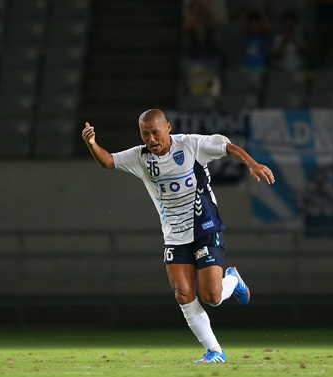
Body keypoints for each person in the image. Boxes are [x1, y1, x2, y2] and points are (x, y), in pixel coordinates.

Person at [81, 109, 275, 363]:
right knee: (183, 294)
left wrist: (252, 163)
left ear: (168, 128)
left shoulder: (192, 145)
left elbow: (228, 147)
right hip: (174, 235)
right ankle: (216, 351)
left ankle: (233, 281)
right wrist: (92, 143)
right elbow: (107, 161)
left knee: (212, 297)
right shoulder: (141, 157)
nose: (150, 139)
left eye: (154, 132)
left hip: (205, 227)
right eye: (145, 133)